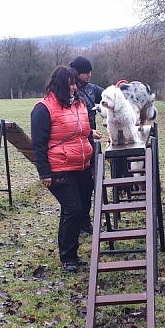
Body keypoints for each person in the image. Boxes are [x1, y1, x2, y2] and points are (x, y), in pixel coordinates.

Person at [31, 66, 99, 272]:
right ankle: (68, 257)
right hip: (59, 167)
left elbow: (83, 132)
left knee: (80, 209)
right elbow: (39, 144)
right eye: (70, 83)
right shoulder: (43, 109)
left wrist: (91, 145)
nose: (74, 86)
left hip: (82, 165)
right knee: (73, 209)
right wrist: (44, 173)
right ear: (60, 84)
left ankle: (70, 253)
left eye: (75, 83)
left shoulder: (80, 104)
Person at [69, 55, 104, 234]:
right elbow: (68, 121)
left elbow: (106, 95)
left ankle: (87, 220)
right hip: (76, 141)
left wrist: (120, 89)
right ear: (78, 73)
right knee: (78, 186)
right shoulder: (70, 91)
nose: (89, 75)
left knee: (90, 183)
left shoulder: (91, 89)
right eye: (86, 72)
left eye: (90, 71)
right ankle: (80, 222)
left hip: (90, 141)